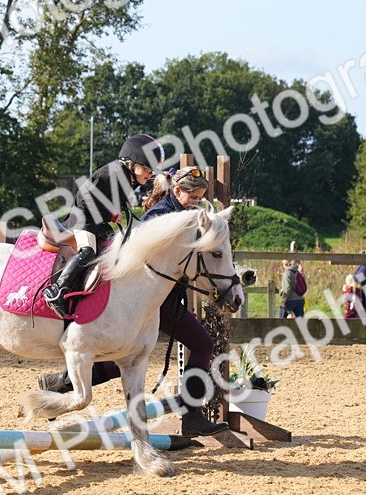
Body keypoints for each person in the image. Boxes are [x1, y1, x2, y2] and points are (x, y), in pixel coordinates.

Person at [37, 165, 229, 437]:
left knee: (137, 356)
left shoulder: (187, 219)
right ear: (176, 191)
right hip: (152, 302)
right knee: (186, 347)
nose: (197, 204)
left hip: (166, 301)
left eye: (200, 199)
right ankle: (191, 414)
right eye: (193, 198)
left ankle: (60, 382)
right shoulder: (161, 217)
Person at [41, 134, 160, 318]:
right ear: (131, 161)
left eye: (151, 172)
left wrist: (116, 209)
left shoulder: (126, 178)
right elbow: (85, 199)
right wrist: (111, 213)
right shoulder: (111, 174)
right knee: (87, 251)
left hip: (97, 223)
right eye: (146, 169)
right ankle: (57, 291)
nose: (149, 174)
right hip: (84, 221)